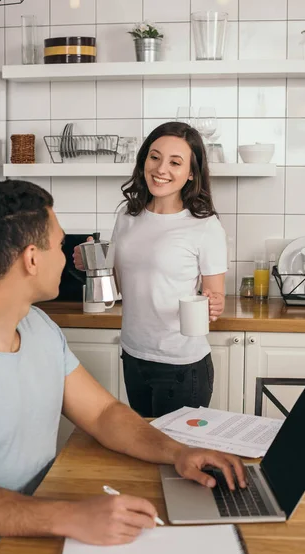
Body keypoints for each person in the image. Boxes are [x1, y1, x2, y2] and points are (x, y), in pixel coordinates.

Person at [0, 180, 245, 554]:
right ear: (31, 259)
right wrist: (69, 516)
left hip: (40, 526)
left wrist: (178, 452)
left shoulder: (38, 328)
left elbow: (102, 414)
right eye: (59, 247)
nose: (65, 259)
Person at [74, 121, 227, 418]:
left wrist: (215, 303)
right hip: (134, 356)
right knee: (146, 457)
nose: (161, 169)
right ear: (144, 159)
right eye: (155, 157)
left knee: (176, 457)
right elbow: (117, 285)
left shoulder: (205, 226)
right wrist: (91, 263)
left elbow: (214, 296)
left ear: (191, 172)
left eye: (175, 162)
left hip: (182, 365)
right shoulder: (127, 216)